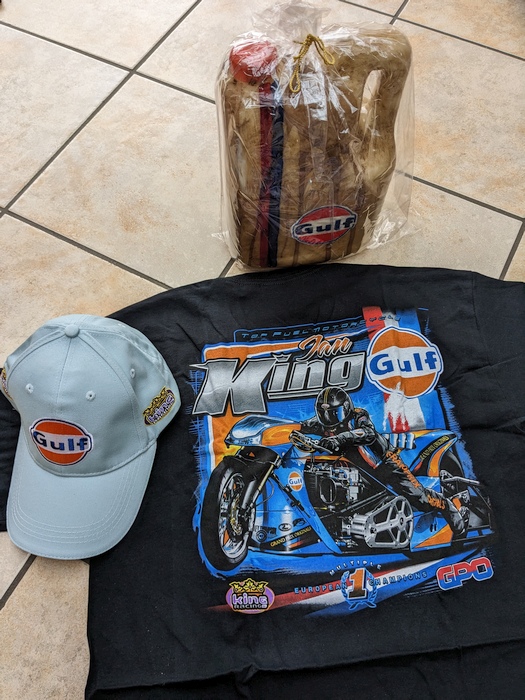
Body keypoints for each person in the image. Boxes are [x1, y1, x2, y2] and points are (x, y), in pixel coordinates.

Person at [300, 387, 469, 535]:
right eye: (324, 414)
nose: (329, 419)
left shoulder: (358, 416)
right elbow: (299, 427)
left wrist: (339, 438)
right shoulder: (321, 422)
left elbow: (368, 432)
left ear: (346, 408)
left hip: (386, 464)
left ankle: (448, 506)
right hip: (359, 471)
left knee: (420, 498)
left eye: (334, 413)